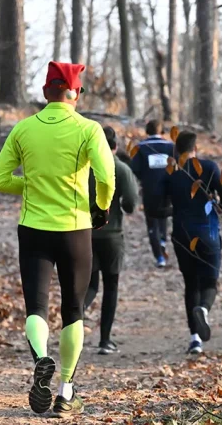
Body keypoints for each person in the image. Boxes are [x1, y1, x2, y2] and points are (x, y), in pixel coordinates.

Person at [0, 61, 115, 418]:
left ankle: (41, 357)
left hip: (33, 229)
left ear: (46, 92)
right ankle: (65, 394)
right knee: (73, 310)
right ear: (77, 93)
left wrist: (29, 185)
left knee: (36, 307)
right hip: (75, 229)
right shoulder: (89, 130)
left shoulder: (23, 129)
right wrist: (101, 208)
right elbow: (106, 178)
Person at [158, 130, 222, 354]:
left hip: (182, 235)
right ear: (195, 149)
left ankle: (195, 339)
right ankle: (204, 309)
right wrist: (220, 207)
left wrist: (176, 209)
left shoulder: (171, 174)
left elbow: (159, 204)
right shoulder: (209, 168)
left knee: (191, 284)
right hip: (208, 234)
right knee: (209, 283)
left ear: (177, 151)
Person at [84, 126, 139, 355]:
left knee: (89, 285)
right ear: (115, 147)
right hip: (112, 235)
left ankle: (75, 319)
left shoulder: (82, 168)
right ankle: (105, 340)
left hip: (84, 234)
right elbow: (130, 205)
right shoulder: (122, 169)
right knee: (111, 286)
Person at [130, 120, 174, 268]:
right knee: (163, 217)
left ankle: (159, 256)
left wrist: (145, 178)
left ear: (147, 131)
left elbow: (134, 169)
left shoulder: (141, 148)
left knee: (151, 221)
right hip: (168, 190)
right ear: (161, 132)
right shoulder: (170, 147)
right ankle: (162, 241)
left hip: (149, 190)